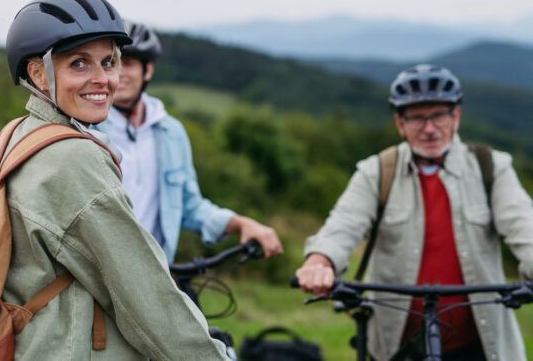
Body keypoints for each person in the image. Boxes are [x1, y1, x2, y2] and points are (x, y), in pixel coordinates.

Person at [0, 0, 230, 359]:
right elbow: (145, 293)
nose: (102, 79)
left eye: (108, 62)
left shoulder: (6, 141)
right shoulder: (75, 159)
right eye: (79, 64)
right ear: (38, 73)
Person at [295, 64, 533, 361]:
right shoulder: (377, 172)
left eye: (438, 116)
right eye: (417, 118)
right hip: (398, 346)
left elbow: (524, 225)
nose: (429, 128)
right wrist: (320, 261)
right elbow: (343, 225)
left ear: (455, 116)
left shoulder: (491, 167)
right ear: (400, 123)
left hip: (481, 346)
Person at [95, 20, 283, 262]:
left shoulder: (171, 132)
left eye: (128, 63)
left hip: (157, 273)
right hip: (102, 273)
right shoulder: (86, 129)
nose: (119, 73)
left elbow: (188, 206)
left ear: (148, 70)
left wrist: (240, 223)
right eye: (111, 64)